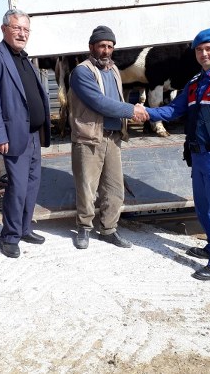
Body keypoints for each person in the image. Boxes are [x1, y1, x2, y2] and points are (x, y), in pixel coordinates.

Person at [145, 27, 210, 280]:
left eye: (208, 49)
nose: (204, 53)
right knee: (203, 208)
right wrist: (145, 112)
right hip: (198, 156)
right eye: (199, 50)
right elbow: (172, 111)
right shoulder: (194, 83)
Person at [69, 25, 149, 250]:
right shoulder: (82, 72)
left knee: (114, 188)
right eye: (102, 46)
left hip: (113, 137)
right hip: (89, 138)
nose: (106, 50)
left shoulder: (113, 70)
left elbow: (115, 98)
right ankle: (84, 228)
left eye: (110, 46)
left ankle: (108, 230)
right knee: (87, 186)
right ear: (91, 47)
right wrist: (132, 110)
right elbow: (99, 102)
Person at [0, 9, 51, 258]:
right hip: (12, 136)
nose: (22, 33)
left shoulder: (25, 58)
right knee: (18, 187)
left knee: (32, 184)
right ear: (4, 30)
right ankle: (10, 236)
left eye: (26, 29)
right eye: (17, 28)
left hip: (33, 134)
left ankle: (24, 228)